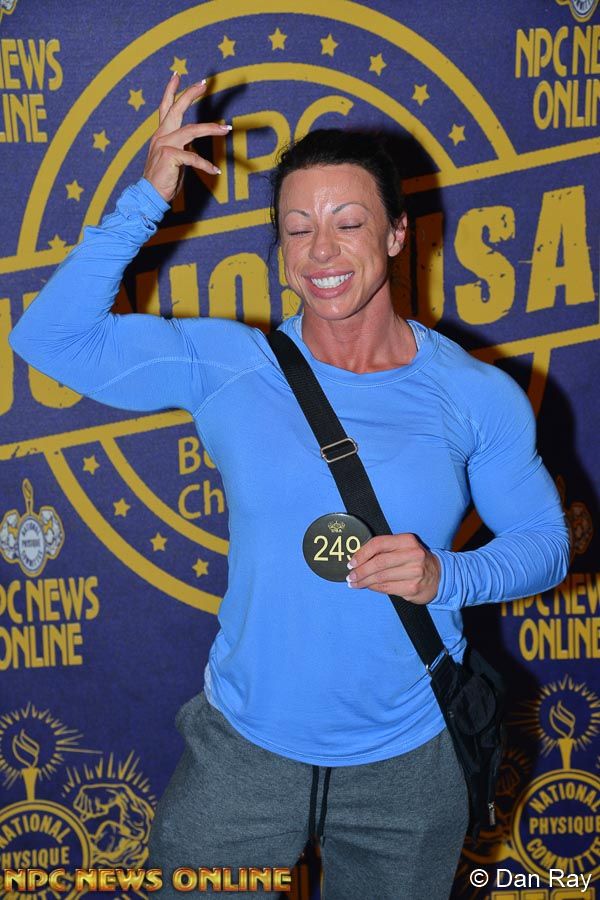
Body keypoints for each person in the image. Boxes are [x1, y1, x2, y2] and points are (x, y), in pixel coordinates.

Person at [9, 73, 570, 899]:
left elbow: (547, 546)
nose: (321, 251)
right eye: (298, 229)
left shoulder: (473, 393)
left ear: (398, 234)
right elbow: (49, 339)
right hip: (244, 751)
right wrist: (148, 197)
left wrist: (445, 576)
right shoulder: (230, 365)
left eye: (349, 223)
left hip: (411, 765)